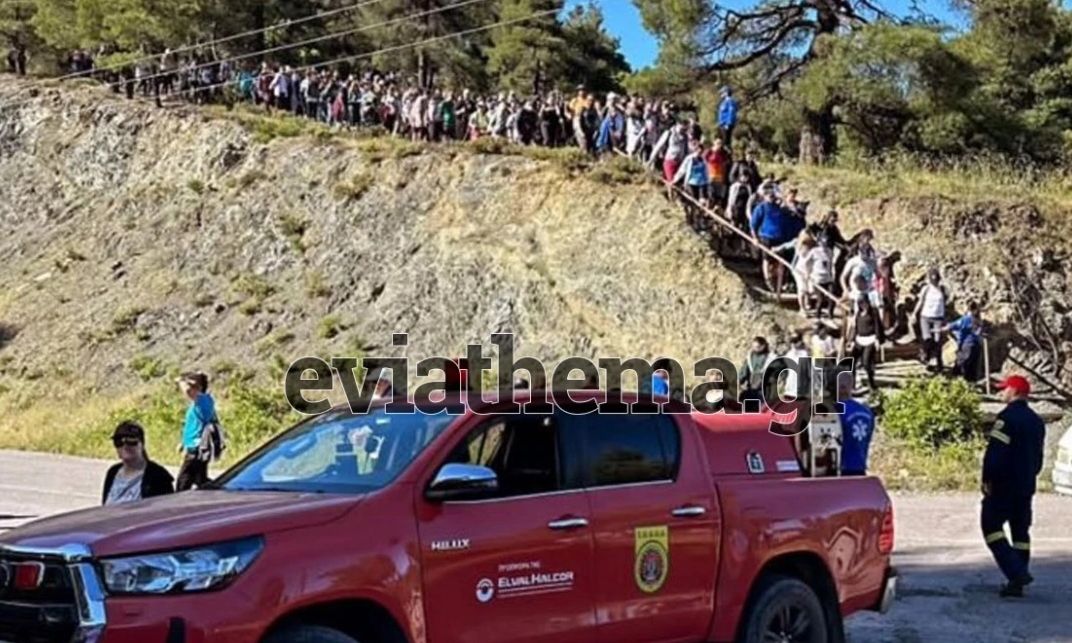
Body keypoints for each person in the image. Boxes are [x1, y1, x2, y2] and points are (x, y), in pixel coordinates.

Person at [981, 375, 1046, 597]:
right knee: (1020, 533)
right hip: (1025, 485)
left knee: (991, 527)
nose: (1001, 393)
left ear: (1015, 391)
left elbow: (995, 453)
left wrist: (988, 479)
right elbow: (1038, 457)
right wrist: (1029, 476)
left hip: (1003, 485)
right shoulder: (1036, 421)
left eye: (1004, 389)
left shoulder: (1007, 419)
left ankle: (1016, 572)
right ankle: (1017, 582)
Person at [102, 421, 174, 505]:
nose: (125, 446)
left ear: (142, 445)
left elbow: (166, 509)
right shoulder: (112, 472)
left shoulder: (158, 476)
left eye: (131, 441)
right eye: (118, 442)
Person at [176, 371, 217, 491]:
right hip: (195, 445)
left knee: (183, 482)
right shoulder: (199, 403)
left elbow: (189, 391)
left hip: (197, 447)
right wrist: (183, 443)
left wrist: (182, 381)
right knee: (200, 480)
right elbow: (194, 425)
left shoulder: (202, 401)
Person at [837, 373, 875, 476]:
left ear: (840, 387)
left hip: (841, 469)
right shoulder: (867, 411)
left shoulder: (836, 411)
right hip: (860, 467)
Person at [847, 294, 885, 391]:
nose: (863, 305)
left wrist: (877, 339)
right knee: (851, 361)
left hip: (870, 339)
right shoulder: (858, 313)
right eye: (861, 303)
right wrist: (852, 341)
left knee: (866, 362)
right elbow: (856, 328)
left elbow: (877, 325)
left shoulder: (874, 312)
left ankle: (871, 383)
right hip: (859, 339)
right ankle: (852, 384)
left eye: (864, 303)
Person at [914, 268, 949, 372]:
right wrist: (914, 313)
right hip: (925, 317)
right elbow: (920, 301)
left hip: (938, 318)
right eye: (932, 280)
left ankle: (939, 362)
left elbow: (947, 301)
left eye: (936, 280)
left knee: (938, 341)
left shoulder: (943, 289)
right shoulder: (926, 289)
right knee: (927, 340)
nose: (934, 282)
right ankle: (926, 359)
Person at [947, 303, 984, 383]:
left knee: (962, 364)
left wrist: (941, 329)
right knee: (972, 366)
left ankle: (957, 380)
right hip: (977, 345)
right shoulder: (979, 320)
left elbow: (952, 326)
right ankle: (970, 382)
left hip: (967, 345)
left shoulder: (967, 319)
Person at [739, 337, 774, 402]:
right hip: (751, 388)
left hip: (764, 390)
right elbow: (744, 371)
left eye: (757, 347)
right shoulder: (750, 357)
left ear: (763, 346)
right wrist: (739, 381)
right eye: (753, 346)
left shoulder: (770, 358)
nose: (754, 348)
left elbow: (775, 374)